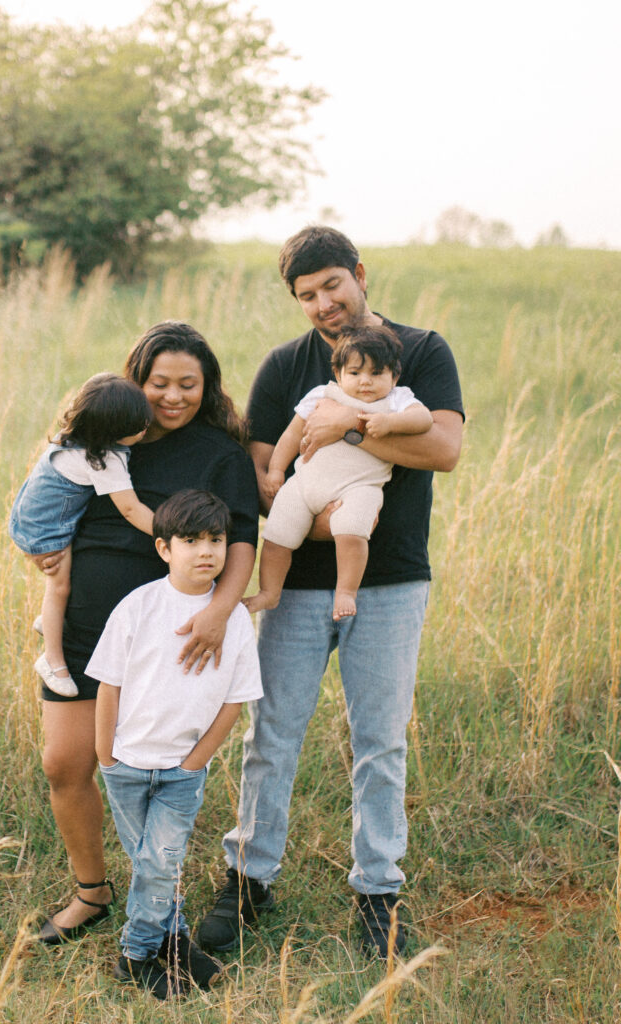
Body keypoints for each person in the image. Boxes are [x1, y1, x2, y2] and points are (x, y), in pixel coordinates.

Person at [196, 226, 464, 959]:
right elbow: (266, 477)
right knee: (272, 732)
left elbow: (443, 448)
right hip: (297, 584)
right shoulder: (287, 366)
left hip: (393, 578)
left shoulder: (422, 351)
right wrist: (329, 521)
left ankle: (378, 890)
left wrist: (350, 424)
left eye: (332, 286)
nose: (322, 304)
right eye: (306, 294)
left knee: (380, 740)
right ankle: (249, 879)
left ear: (359, 274)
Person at [35, 321, 259, 947]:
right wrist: (42, 550)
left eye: (189, 384)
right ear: (137, 380)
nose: (173, 396)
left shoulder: (220, 454)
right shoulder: (102, 436)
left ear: (207, 387)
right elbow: (49, 500)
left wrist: (219, 612)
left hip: (167, 637)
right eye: (160, 383)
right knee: (64, 762)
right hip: (85, 621)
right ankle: (92, 892)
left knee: (156, 773)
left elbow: (243, 539)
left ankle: (156, 905)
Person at [88, 490, 263, 999]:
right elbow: (109, 684)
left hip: (181, 772)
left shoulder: (233, 619)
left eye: (216, 539)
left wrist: (194, 763)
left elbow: (235, 700)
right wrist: (105, 755)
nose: (206, 550)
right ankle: (173, 940)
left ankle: (135, 954)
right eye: (190, 540)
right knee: (155, 866)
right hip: (126, 764)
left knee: (159, 863)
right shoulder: (138, 606)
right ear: (164, 548)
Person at [243, 324, 432, 621]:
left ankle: (346, 591)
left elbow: (423, 419)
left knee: (351, 531)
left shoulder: (397, 400)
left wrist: (390, 423)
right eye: (355, 373)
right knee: (277, 536)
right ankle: (269, 591)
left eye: (376, 373)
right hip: (305, 484)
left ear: (394, 376)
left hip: (358, 488)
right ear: (339, 373)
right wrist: (276, 470)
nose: (365, 381)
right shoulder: (322, 395)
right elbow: (292, 435)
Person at [9, 372, 153, 697]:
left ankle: (50, 620)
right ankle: (52, 661)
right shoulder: (103, 459)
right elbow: (130, 509)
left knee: (63, 584)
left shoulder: (80, 435)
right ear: (112, 431)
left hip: (30, 512)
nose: (146, 426)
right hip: (43, 527)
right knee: (59, 586)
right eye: (138, 425)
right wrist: (169, 531)